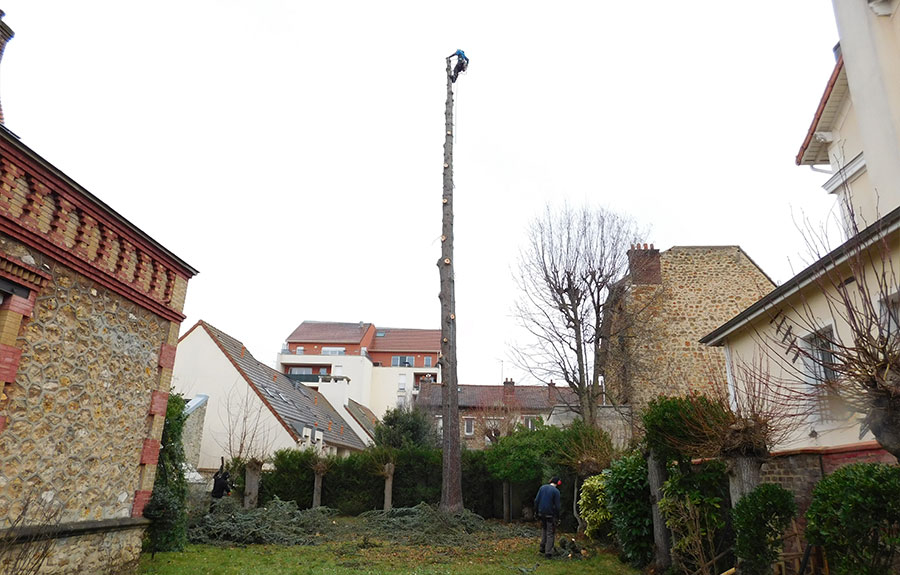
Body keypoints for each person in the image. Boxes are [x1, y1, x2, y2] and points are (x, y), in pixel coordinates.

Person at [534, 476, 562, 558]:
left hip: (541, 513)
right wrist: (558, 516)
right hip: (550, 514)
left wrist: (536, 512)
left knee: (544, 529)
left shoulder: (542, 488)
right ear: (558, 483)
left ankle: (542, 547)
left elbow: (536, 500)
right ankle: (548, 552)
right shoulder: (556, 491)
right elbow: (557, 506)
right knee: (550, 532)